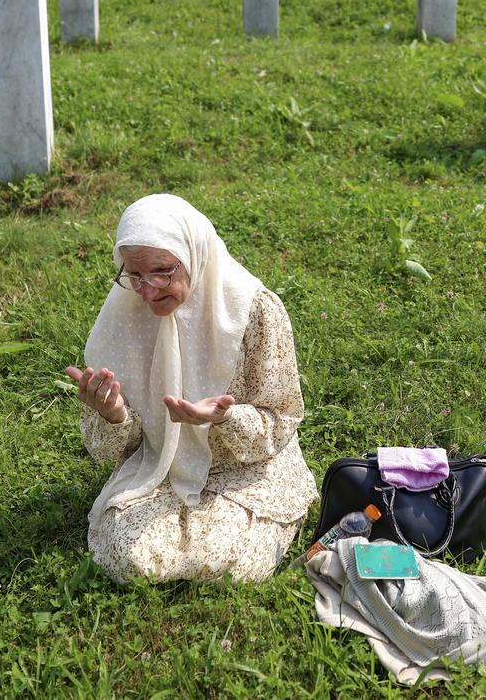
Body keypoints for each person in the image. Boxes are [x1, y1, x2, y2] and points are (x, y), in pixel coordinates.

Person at [67, 194, 318, 584]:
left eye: (162, 272)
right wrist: (114, 414)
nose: (147, 291)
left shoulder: (255, 310)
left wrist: (224, 418)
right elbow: (113, 449)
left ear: (194, 254)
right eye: (133, 274)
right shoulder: (123, 318)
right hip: (160, 471)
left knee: (231, 562)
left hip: (244, 471)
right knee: (134, 558)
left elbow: (280, 417)